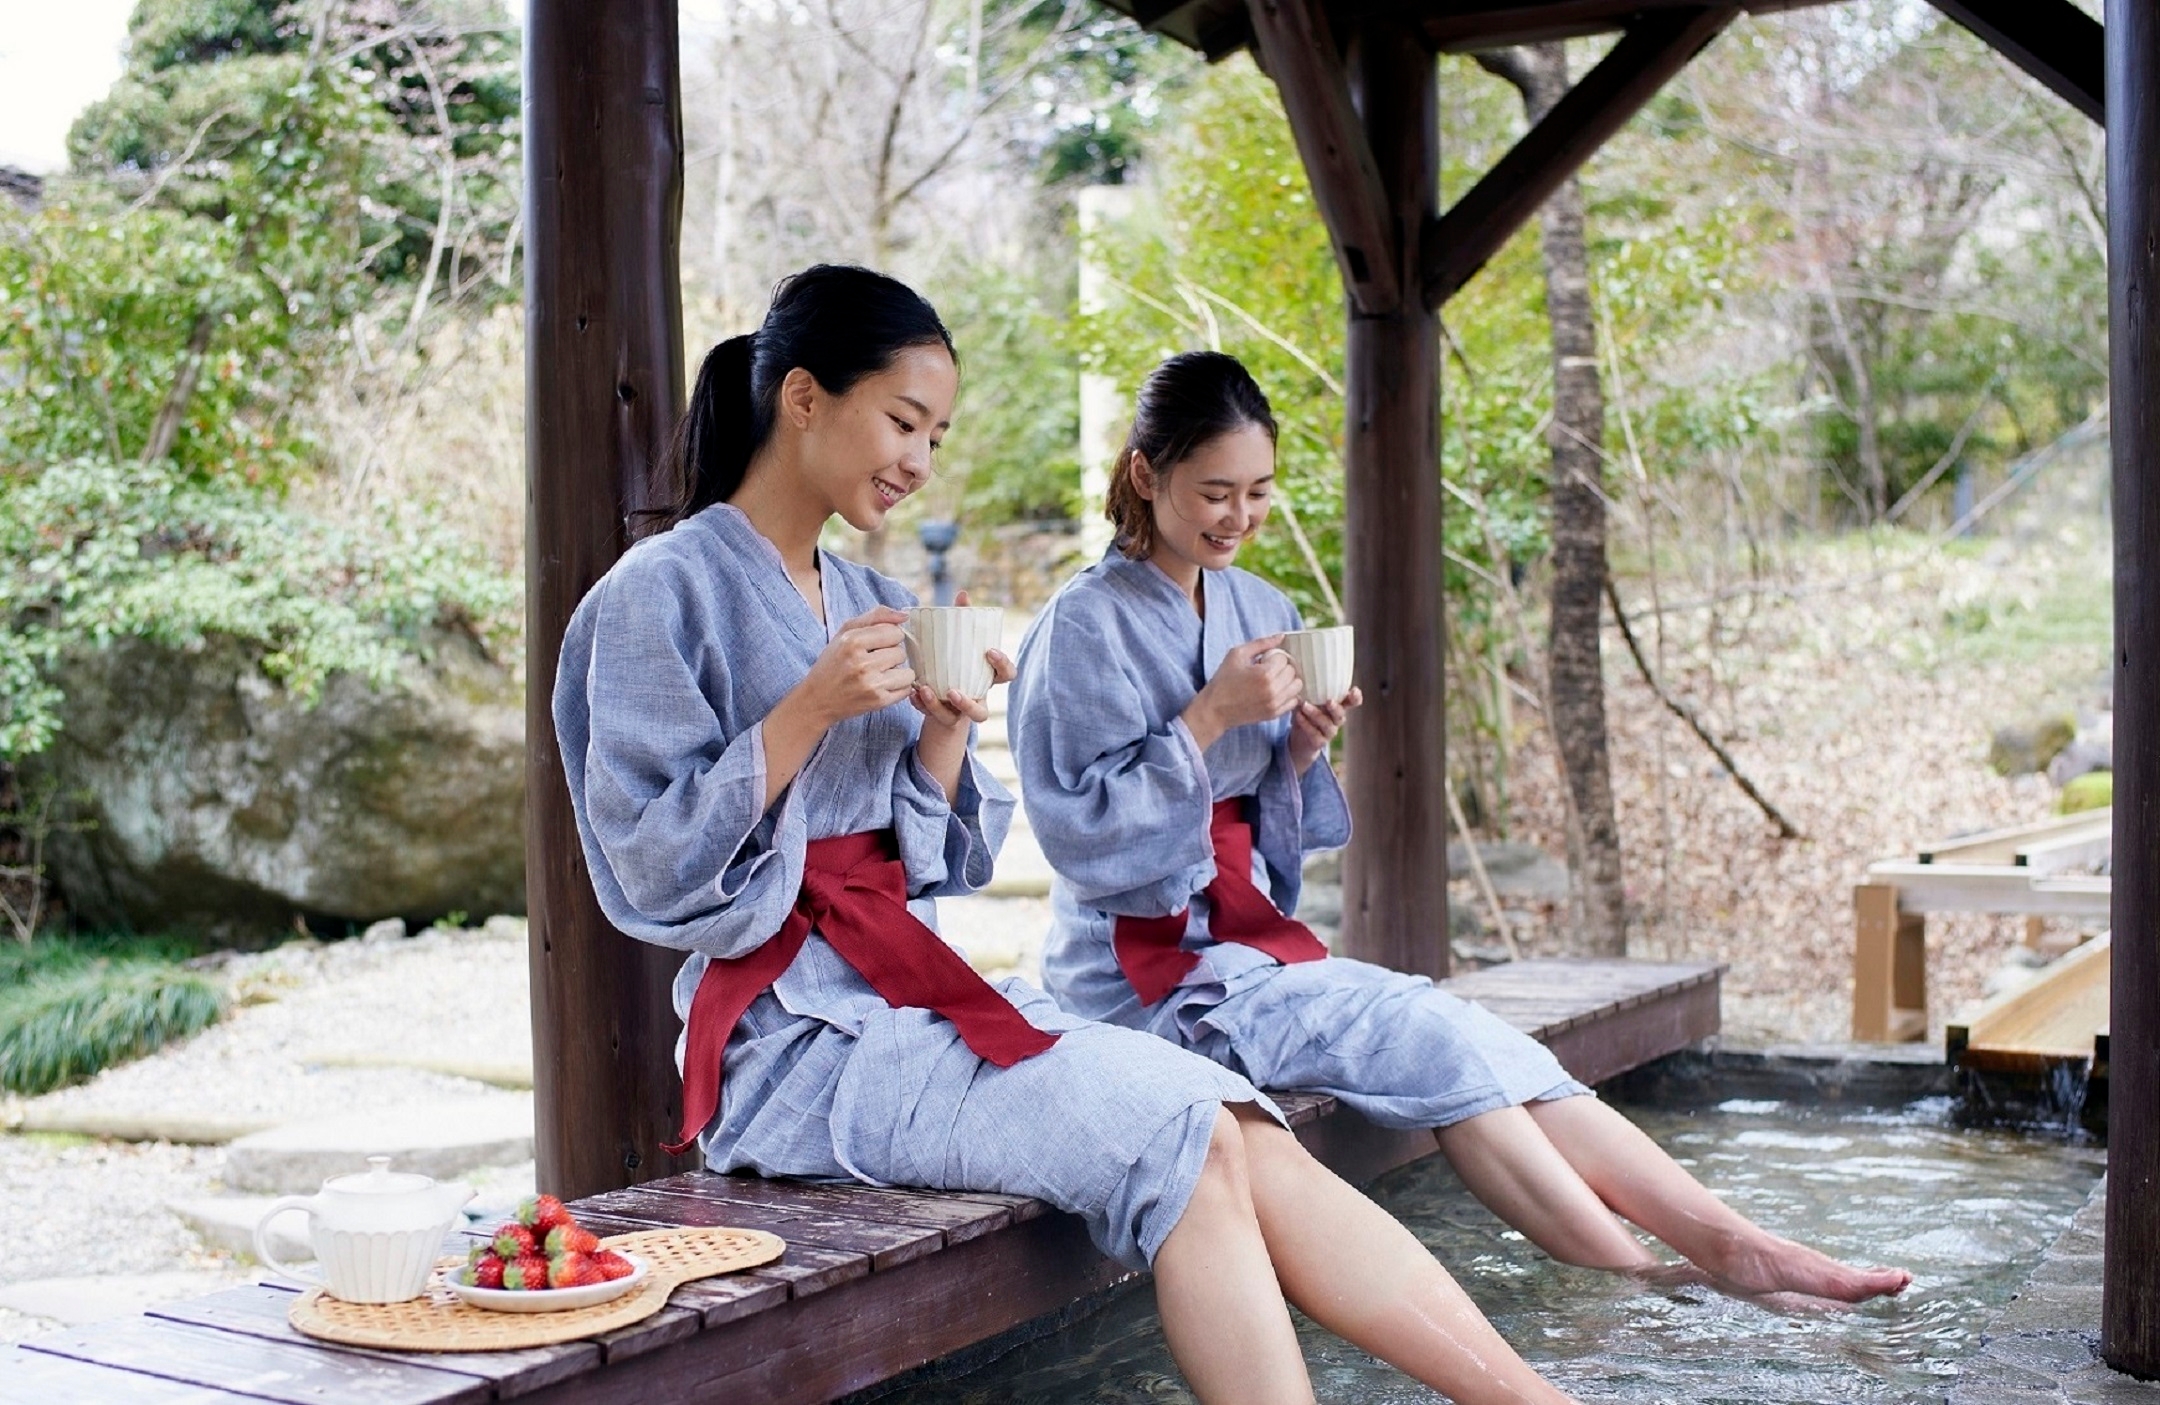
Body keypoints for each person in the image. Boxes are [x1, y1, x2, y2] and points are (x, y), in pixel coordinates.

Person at [553, 267, 1585, 1405]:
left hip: (907, 1003)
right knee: (1186, 1128)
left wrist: (945, 735)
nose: (920, 461)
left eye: (937, 435)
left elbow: (929, 861)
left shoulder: (865, 592)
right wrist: (806, 710)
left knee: (1241, 1119)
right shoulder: (656, 594)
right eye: (903, 422)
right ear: (803, 396)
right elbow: (649, 864)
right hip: (791, 1051)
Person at [1009, 349, 1913, 1307]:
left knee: (1466, 1035)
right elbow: (1082, 836)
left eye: (1260, 492)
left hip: (1245, 949)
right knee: (1432, 1034)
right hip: (1143, 976)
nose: (1239, 517)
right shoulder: (1080, 625)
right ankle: (1668, 1276)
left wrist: (1298, 750)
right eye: (1215, 492)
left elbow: (1261, 814)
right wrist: (1211, 718)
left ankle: (1724, 1248)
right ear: (1147, 475)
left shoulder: (1261, 605)